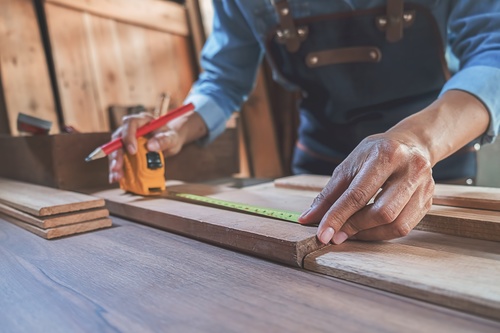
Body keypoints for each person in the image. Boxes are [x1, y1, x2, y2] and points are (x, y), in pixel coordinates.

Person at [109, 0, 500, 245]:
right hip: (317, 170)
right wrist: (178, 127)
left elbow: (493, 50)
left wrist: (417, 140)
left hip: (435, 158)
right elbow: (223, 79)